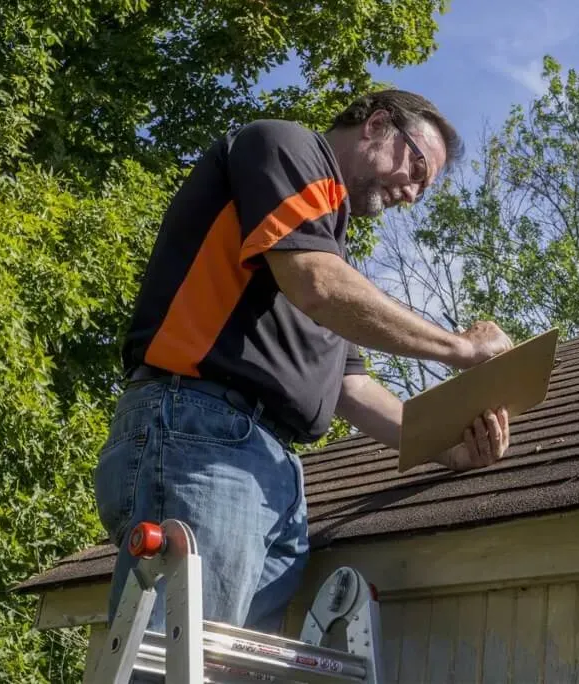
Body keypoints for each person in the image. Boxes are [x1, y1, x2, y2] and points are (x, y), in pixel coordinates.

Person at [93, 89, 514, 641]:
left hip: (269, 469)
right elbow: (316, 284)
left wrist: (449, 449)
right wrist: (460, 348)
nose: (412, 193)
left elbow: (352, 389)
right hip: (202, 434)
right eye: (415, 168)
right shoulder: (285, 147)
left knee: (223, 670)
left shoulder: (327, 255)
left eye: (423, 187)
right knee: (182, 662)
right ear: (377, 125)